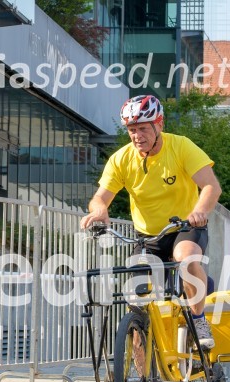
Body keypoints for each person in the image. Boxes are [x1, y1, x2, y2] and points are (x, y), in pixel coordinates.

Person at [80, 94, 221, 348]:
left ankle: (198, 319)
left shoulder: (181, 147)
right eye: (132, 130)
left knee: (185, 258)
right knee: (138, 306)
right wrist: (100, 210)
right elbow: (100, 197)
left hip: (184, 228)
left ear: (159, 125)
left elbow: (211, 186)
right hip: (147, 237)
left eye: (143, 128)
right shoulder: (122, 159)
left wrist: (200, 211)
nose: (137, 135)